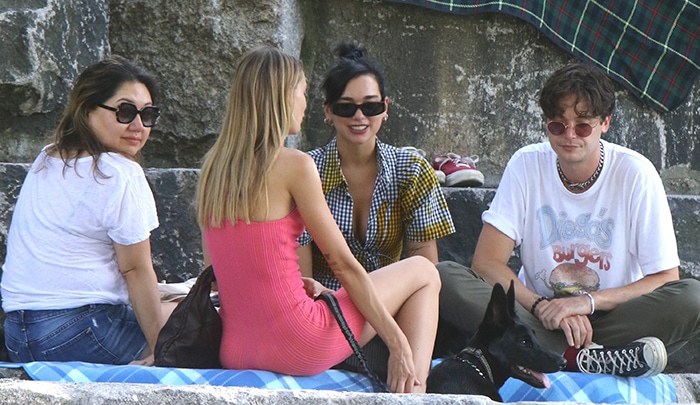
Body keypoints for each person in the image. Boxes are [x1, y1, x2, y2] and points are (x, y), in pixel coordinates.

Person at [195, 47, 440, 394]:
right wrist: (398, 344)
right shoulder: (295, 165)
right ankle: (414, 395)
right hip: (299, 343)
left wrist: (306, 289)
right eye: (303, 92)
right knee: (423, 271)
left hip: (235, 349)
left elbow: (216, 277)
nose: (305, 103)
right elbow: (342, 263)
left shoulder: (213, 171)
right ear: (282, 97)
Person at [437, 61, 700, 377]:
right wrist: (542, 307)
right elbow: (486, 263)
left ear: (605, 123)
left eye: (583, 126)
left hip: (612, 318)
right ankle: (596, 360)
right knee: (445, 277)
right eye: (558, 125)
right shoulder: (526, 165)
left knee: (693, 297)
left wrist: (586, 303)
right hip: (535, 319)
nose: (569, 135)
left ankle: (570, 356)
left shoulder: (636, 174)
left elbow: (664, 278)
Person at [295, 43, 454, 376]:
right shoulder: (306, 171)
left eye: (370, 107)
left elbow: (425, 268)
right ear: (327, 111)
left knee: (432, 278)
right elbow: (302, 280)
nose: (358, 117)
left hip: (394, 315)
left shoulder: (412, 170)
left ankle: (415, 389)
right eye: (345, 107)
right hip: (331, 314)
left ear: (385, 108)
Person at [2, 56, 169, 365]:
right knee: (200, 322)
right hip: (82, 333)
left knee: (176, 305)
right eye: (125, 111)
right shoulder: (119, 172)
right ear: (88, 109)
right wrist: (163, 350)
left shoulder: (46, 159)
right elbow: (134, 269)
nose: (138, 126)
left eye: (148, 114)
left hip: (17, 335)